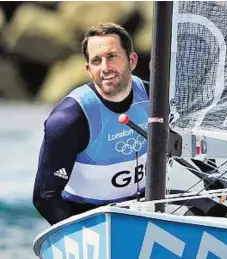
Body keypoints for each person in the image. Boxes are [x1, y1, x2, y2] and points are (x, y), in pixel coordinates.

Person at [33, 22, 149, 225]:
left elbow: (190, 148)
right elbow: (45, 196)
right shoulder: (68, 120)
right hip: (88, 217)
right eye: (97, 60)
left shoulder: (154, 99)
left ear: (132, 60)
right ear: (88, 69)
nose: (105, 67)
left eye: (112, 56)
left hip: (146, 208)